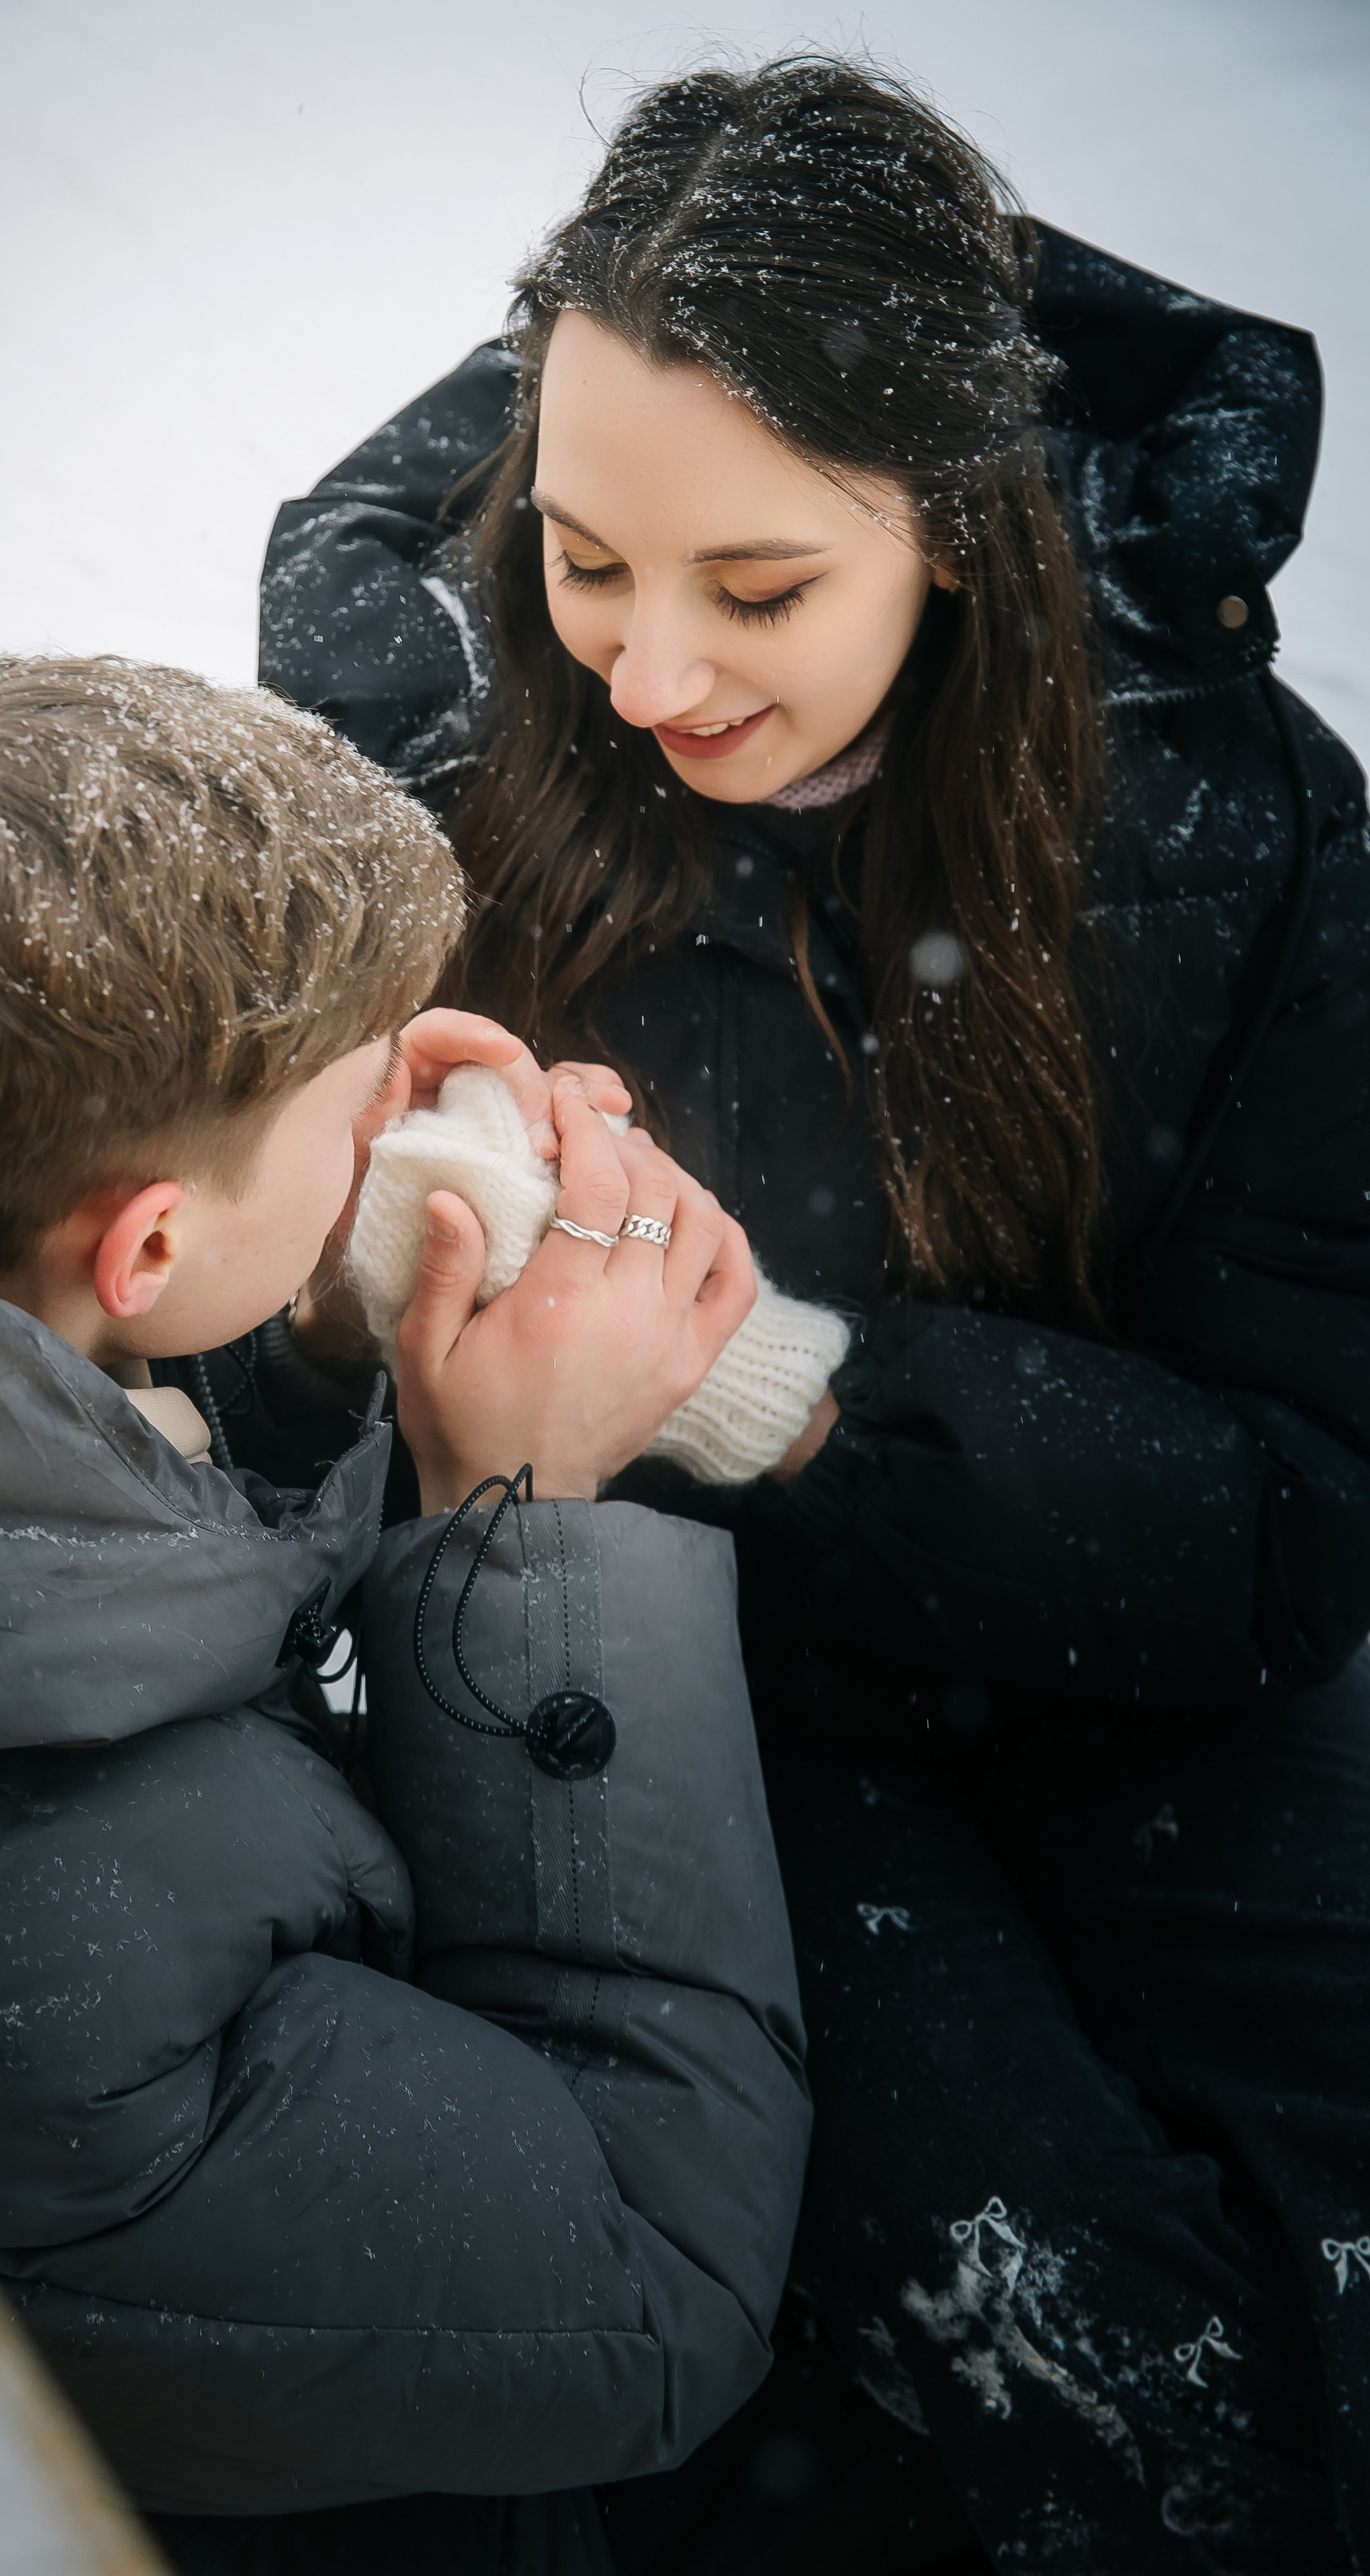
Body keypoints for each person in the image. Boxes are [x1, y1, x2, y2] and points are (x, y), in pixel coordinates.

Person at [259, 56, 1370, 2572]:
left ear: (956, 532)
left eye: (757, 591)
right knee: (1093, 2370)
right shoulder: (399, 719)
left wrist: (789, 1402)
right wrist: (378, 1273)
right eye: (584, 561)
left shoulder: (1253, 826)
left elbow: (1307, 1511)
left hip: (1155, 1657)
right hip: (673, 1680)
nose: (647, 670)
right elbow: (180, 1252)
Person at [0, 661, 810, 2575]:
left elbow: (37, 1430)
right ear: (153, 1245)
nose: (398, 1105)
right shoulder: (19, 1982)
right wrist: (524, 1524)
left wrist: (309, 1344)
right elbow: (652, 2275)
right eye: (357, 1109)